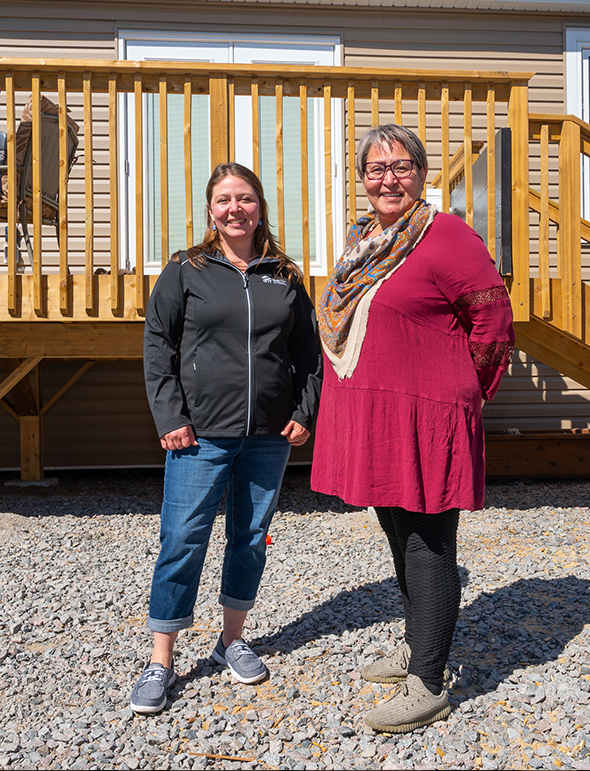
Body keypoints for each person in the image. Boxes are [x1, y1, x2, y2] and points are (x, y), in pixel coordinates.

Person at [312, 124, 514, 733]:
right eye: (375, 169)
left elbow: (493, 318)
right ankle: (415, 644)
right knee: (397, 532)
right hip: (383, 414)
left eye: (400, 167)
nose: (387, 179)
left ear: (422, 174)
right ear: (363, 180)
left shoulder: (445, 233)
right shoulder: (365, 240)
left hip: (428, 414)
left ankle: (430, 679)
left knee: (429, 545)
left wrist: (463, 390)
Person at [131, 162, 322, 715]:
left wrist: (304, 412)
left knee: (250, 538)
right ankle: (160, 661)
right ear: (210, 210)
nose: (234, 208)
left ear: (260, 207)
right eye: (224, 200)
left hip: (268, 435)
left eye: (244, 198)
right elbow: (157, 348)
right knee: (182, 540)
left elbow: (308, 356)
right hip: (198, 435)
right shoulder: (186, 269)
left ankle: (230, 640)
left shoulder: (284, 275)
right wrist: (170, 417)